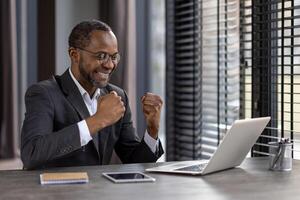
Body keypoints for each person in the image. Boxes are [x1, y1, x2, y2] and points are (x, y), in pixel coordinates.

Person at [21, 20, 164, 169]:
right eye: (101, 56)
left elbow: (135, 162)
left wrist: (152, 130)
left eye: (114, 57)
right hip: (54, 191)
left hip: (98, 191)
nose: (109, 65)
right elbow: (31, 154)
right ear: (74, 54)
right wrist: (97, 121)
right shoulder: (44, 93)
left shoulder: (118, 96)